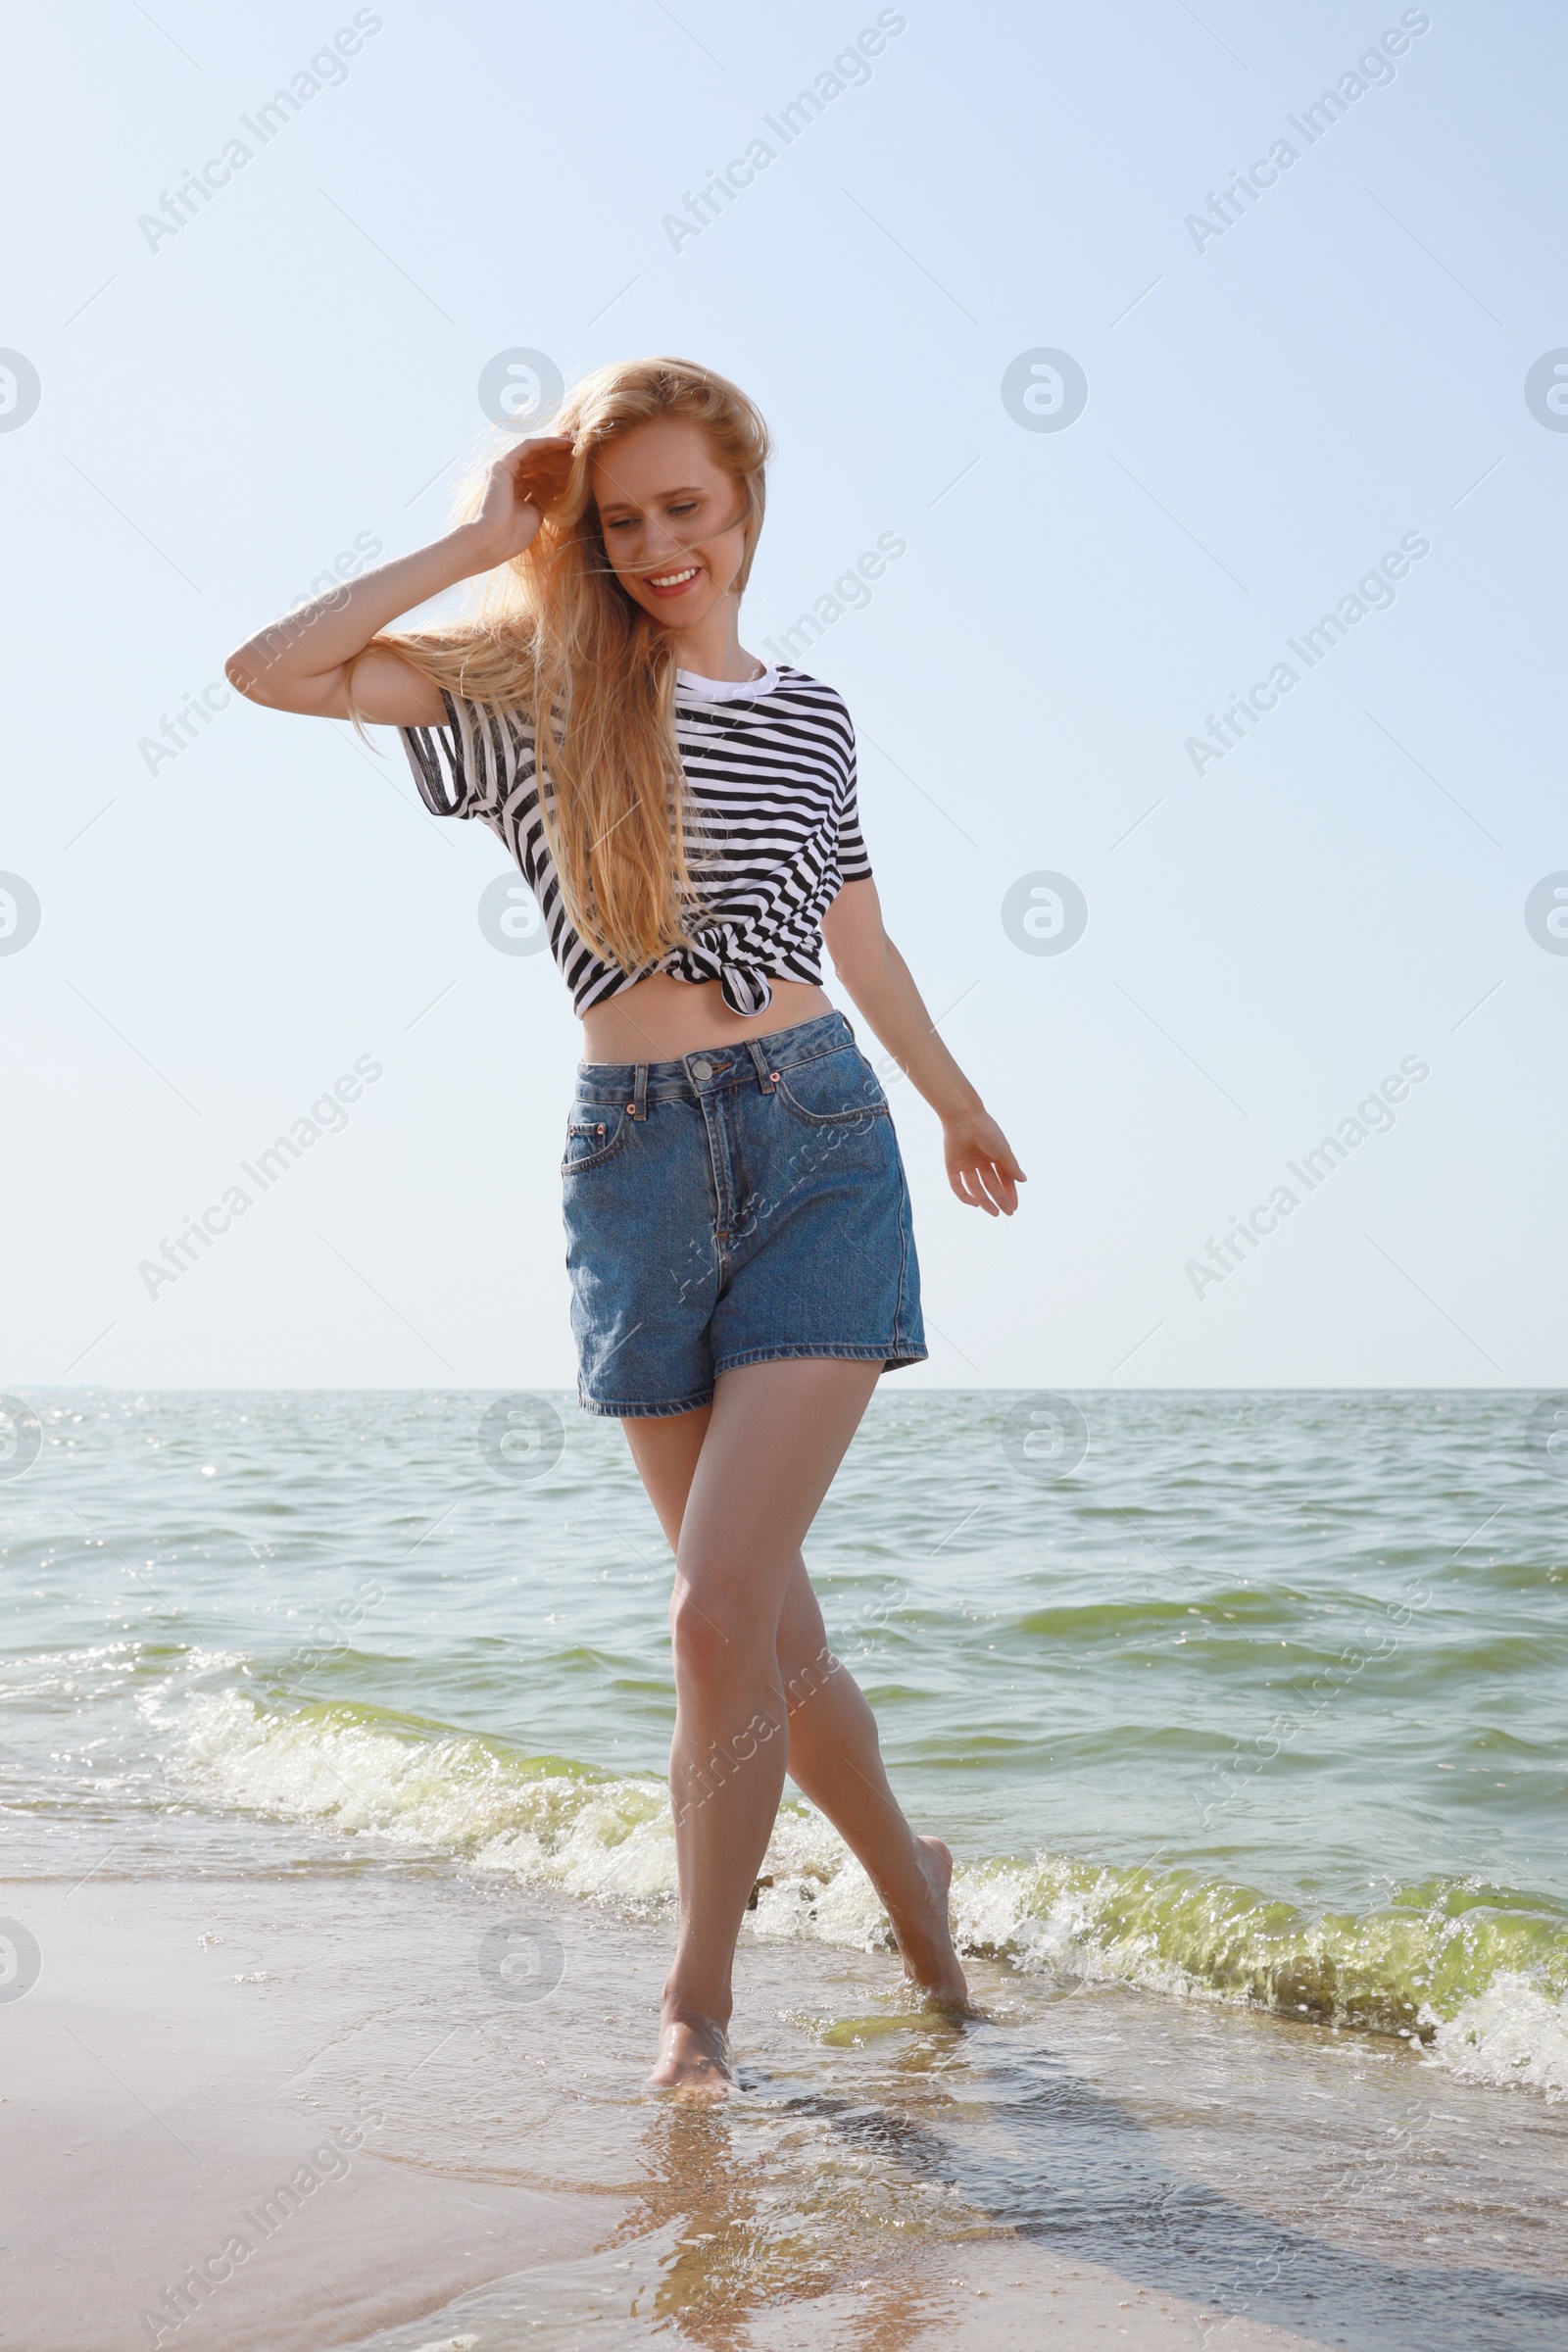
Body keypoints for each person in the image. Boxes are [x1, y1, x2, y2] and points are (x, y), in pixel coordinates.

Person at [226, 357, 1025, 2095]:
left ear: (745, 506)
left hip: (820, 1138)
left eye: (688, 507)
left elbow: (863, 939)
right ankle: (917, 1887)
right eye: (623, 518)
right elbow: (267, 670)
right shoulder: (533, 686)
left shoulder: (813, 715)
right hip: (636, 1165)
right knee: (761, 1622)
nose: (660, 543)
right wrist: (474, 542)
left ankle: (699, 2004)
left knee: (709, 1609)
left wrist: (959, 1099)